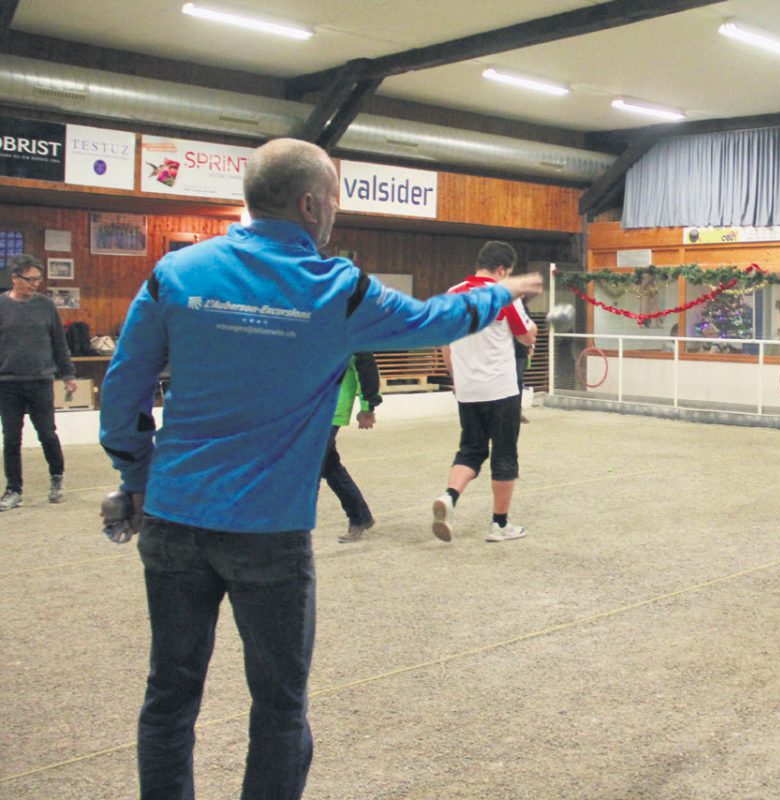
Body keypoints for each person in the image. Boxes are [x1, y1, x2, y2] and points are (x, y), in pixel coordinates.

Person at [99, 138, 542, 800]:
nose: (334, 211)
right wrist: (497, 294)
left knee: (169, 696)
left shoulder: (175, 274)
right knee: (278, 709)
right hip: (269, 531)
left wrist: (136, 478)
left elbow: (121, 394)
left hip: (173, 515)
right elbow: (433, 320)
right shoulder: (336, 289)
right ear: (311, 204)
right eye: (334, 198)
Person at [433, 241, 537, 543]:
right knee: (504, 454)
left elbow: (445, 343)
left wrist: (456, 377)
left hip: (467, 389)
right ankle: (499, 525)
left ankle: (450, 497)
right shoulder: (504, 295)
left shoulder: (453, 293)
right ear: (503, 269)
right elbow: (525, 336)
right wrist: (533, 331)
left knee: (471, 449)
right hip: (501, 389)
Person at [0, 254, 76, 511]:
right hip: (8, 383)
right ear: (14, 278)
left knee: (47, 434)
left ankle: (56, 478)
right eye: (30, 279)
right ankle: (13, 489)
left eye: (38, 279)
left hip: (41, 380)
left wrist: (68, 375)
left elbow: (59, 343)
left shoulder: (46, 306)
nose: (35, 284)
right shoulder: (1, 305)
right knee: (11, 438)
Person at [323, 353, 383, 543]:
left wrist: (368, 406)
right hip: (316, 406)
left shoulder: (347, 327)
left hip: (332, 406)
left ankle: (358, 517)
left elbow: (366, 366)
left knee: (315, 465)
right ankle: (361, 517)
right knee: (328, 465)